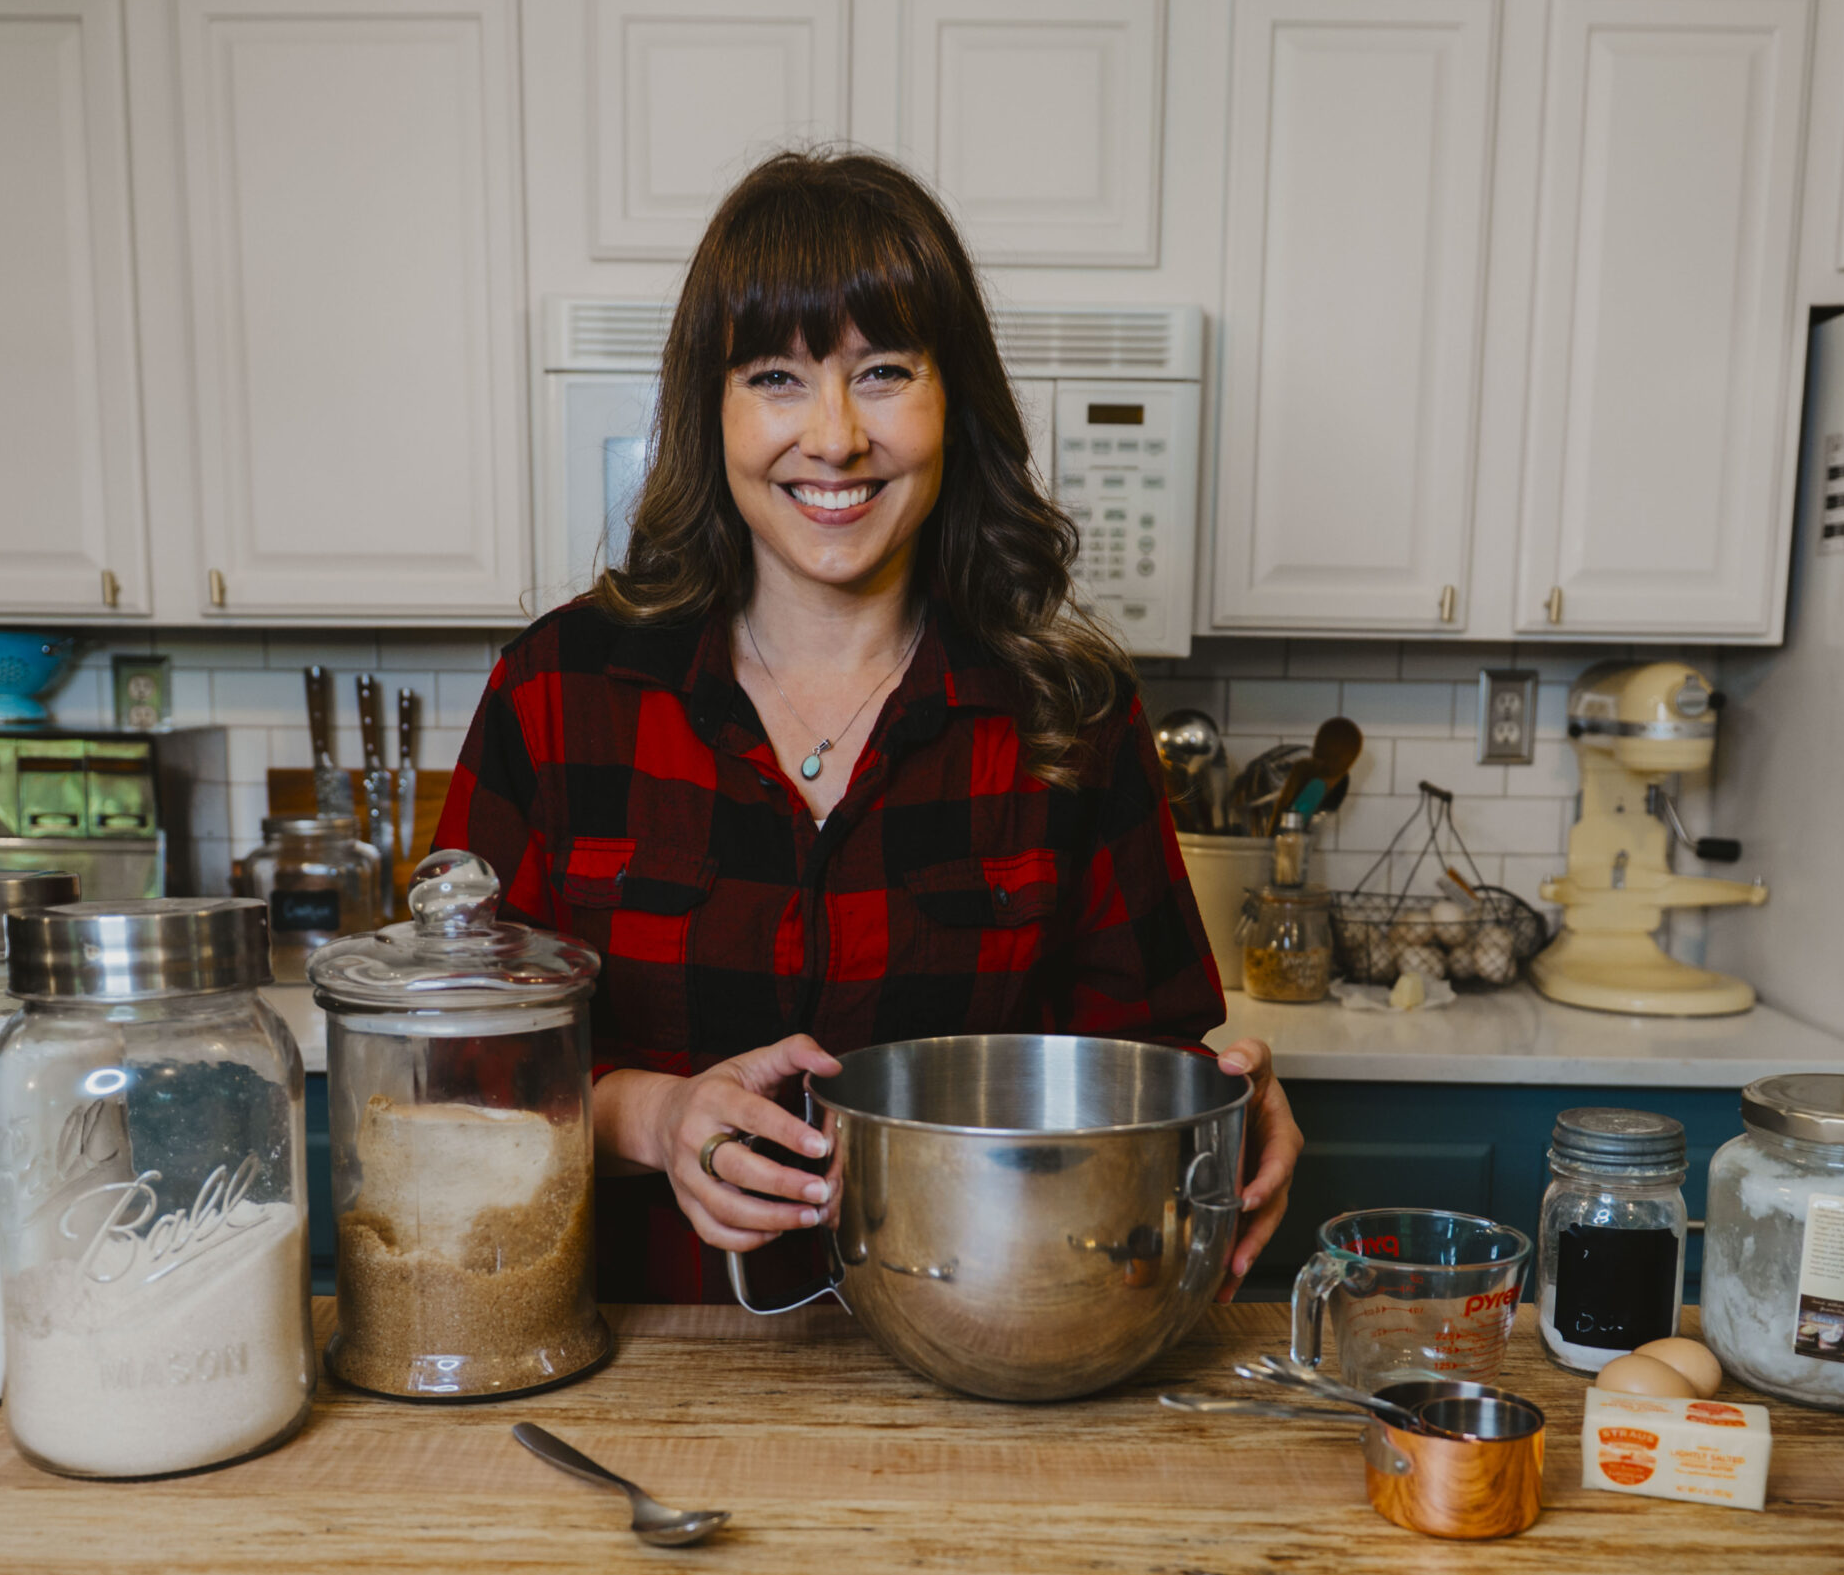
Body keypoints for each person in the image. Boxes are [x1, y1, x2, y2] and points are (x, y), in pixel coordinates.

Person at [434, 149, 1301, 1303]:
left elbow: (1143, 1064)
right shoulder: (558, 693)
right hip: (633, 1355)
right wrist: (652, 1113)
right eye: (776, 378)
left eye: (883, 371)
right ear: (711, 411)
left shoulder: (1070, 713)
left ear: (955, 400)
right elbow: (446, 1074)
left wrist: (1228, 1108)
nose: (835, 436)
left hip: (976, 1347)